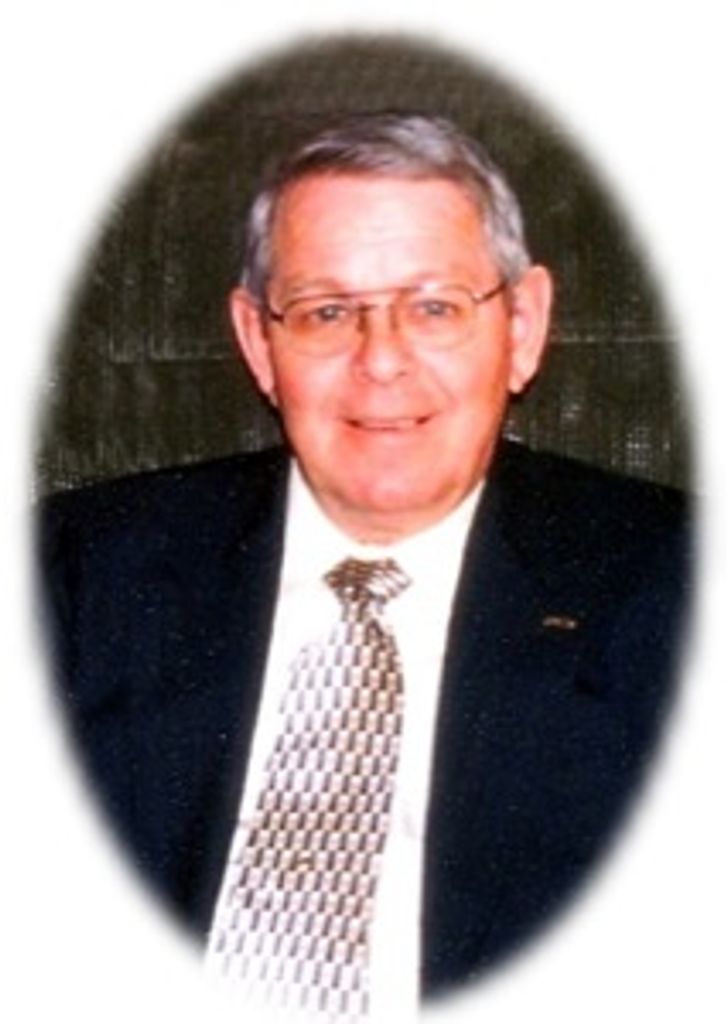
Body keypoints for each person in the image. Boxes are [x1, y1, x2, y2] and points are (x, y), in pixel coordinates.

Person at [38, 113, 690, 1020]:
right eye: (326, 312)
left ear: (521, 326)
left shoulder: (678, 590)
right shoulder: (69, 574)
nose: (380, 361)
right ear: (258, 343)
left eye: (433, 307)